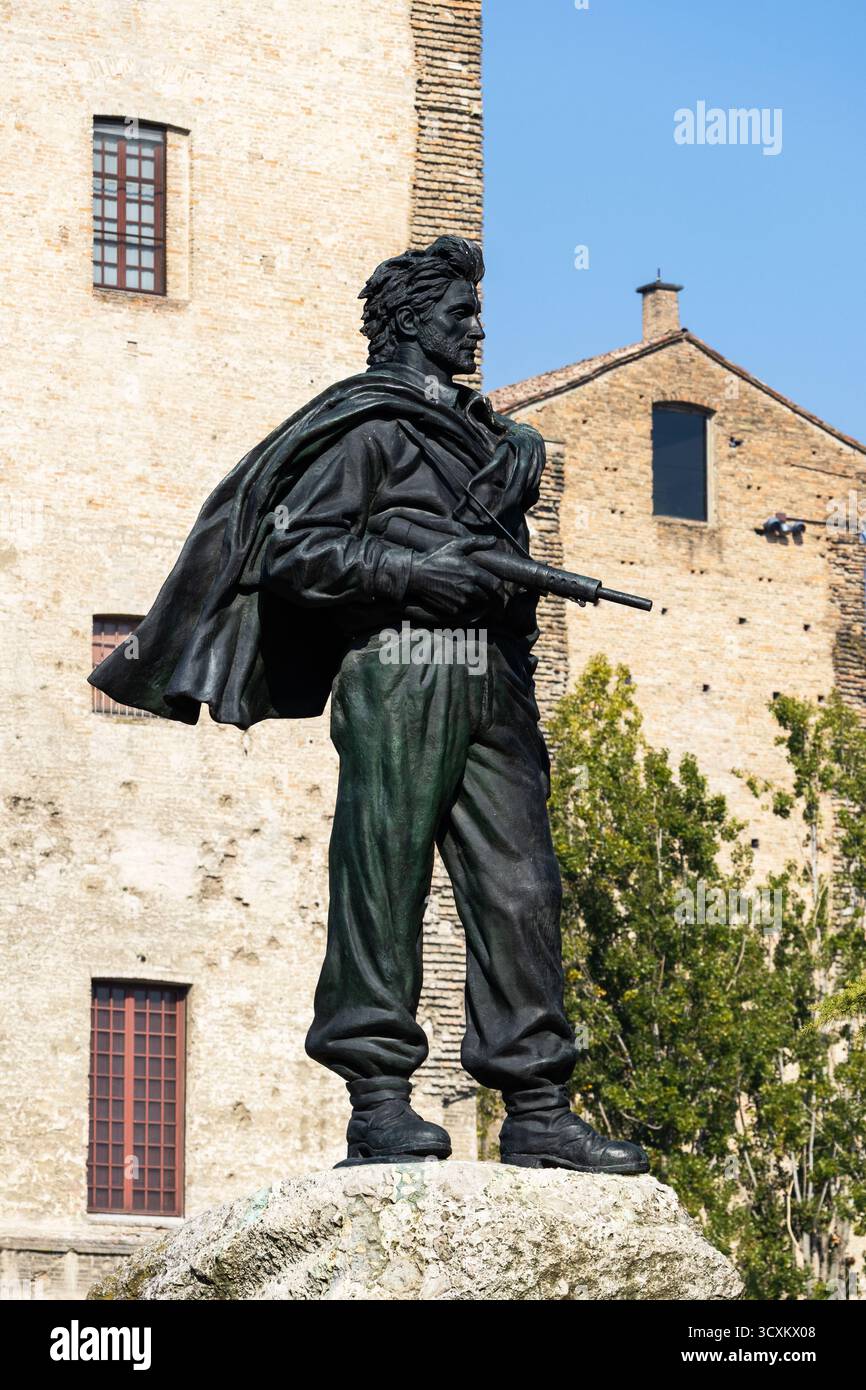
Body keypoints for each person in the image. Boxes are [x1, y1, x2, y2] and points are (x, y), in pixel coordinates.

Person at [89, 236, 650, 1174]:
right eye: (458, 313)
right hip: (402, 665)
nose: (477, 326)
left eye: (476, 311)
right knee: (381, 874)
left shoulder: (492, 439)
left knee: (523, 888)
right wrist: (409, 570)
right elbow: (291, 551)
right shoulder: (367, 427)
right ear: (408, 325)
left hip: (493, 673)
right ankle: (379, 1099)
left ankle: (540, 1105)